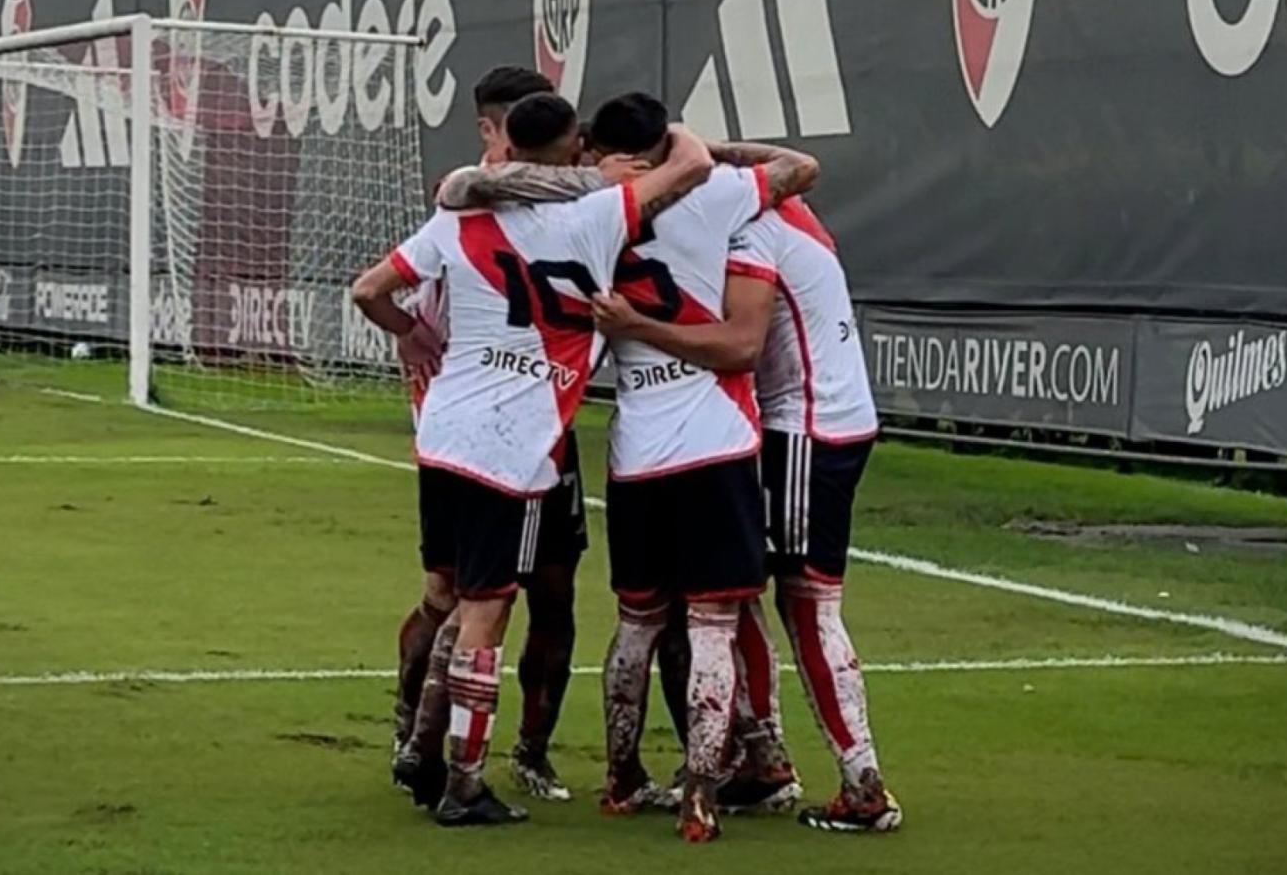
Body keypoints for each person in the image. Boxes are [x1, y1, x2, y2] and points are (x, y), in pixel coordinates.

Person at [352, 92, 713, 826]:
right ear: (574, 142)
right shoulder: (598, 213)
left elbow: (367, 289)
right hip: (514, 441)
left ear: (506, 142)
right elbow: (695, 161)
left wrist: (410, 332)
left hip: (443, 428)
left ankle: (419, 746)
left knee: (449, 594)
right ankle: (463, 781)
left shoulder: (460, 212)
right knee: (488, 612)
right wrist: (643, 144)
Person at [592, 194, 903, 834]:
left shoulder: (745, 230)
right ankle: (764, 760)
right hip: (827, 416)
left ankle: (863, 783)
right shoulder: (789, 206)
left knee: (807, 604)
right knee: (739, 594)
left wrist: (637, 326)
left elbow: (742, 344)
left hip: (804, 427)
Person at [391, 65, 594, 807]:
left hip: (520, 432)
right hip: (495, 431)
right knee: (470, 597)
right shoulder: (464, 197)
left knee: (549, 591)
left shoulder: (529, 200)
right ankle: (427, 743)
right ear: (489, 130)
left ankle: (518, 752)